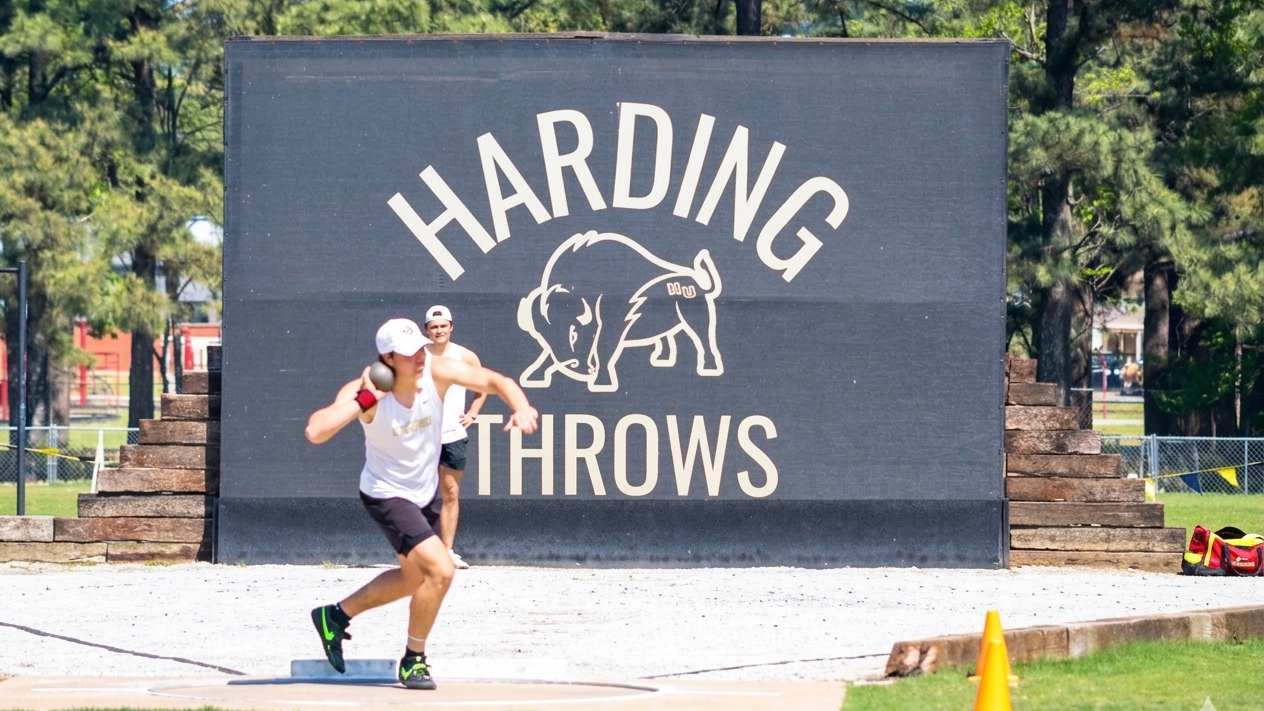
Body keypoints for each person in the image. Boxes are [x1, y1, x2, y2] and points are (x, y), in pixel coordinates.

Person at [304, 318, 538, 690]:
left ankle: (335, 615)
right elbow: (316, 431)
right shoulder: (365, 389)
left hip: (423, 493)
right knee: (442, 571)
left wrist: (520, 406)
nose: (419, 357)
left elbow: (497, 382)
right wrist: (367, 400)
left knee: (415, 578)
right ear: (388, 358)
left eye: (420, 348)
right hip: (386, 494)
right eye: (409, 353)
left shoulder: (436, 370)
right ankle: (414, 659)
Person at [422, 305, 486, 570]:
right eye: (434, 327)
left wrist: (472, 413)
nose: (439, 330)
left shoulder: (466, 357)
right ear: (427, 330)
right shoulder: (416, 357)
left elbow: (483, 386)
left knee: (450, 491)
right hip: (421, 436)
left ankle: (447, 551)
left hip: (453, 436)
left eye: (443, 326)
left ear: (451, 327)